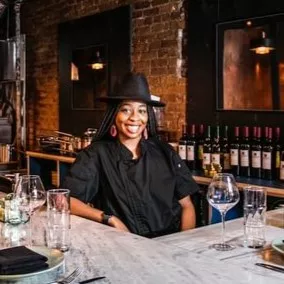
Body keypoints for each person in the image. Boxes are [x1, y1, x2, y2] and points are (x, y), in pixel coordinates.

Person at [63, 72, 199, 238]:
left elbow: (186, 206)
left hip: (170, 245)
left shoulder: (165, 152)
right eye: (126, 110)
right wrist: (109, 219)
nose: (135, 118)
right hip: (123, 245)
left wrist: (183, 244)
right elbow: (64, 199)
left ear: (148, 117)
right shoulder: (96, 154)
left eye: (142, 111)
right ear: (114, 115)